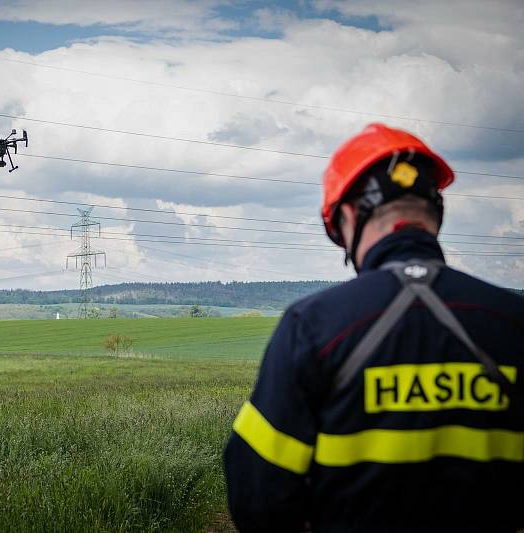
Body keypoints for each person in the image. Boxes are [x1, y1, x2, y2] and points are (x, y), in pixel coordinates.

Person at [224, 123, 524, 532]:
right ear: (435, 211)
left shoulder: (311, 326)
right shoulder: (512, 321)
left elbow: (257, 493)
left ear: (348, 215)